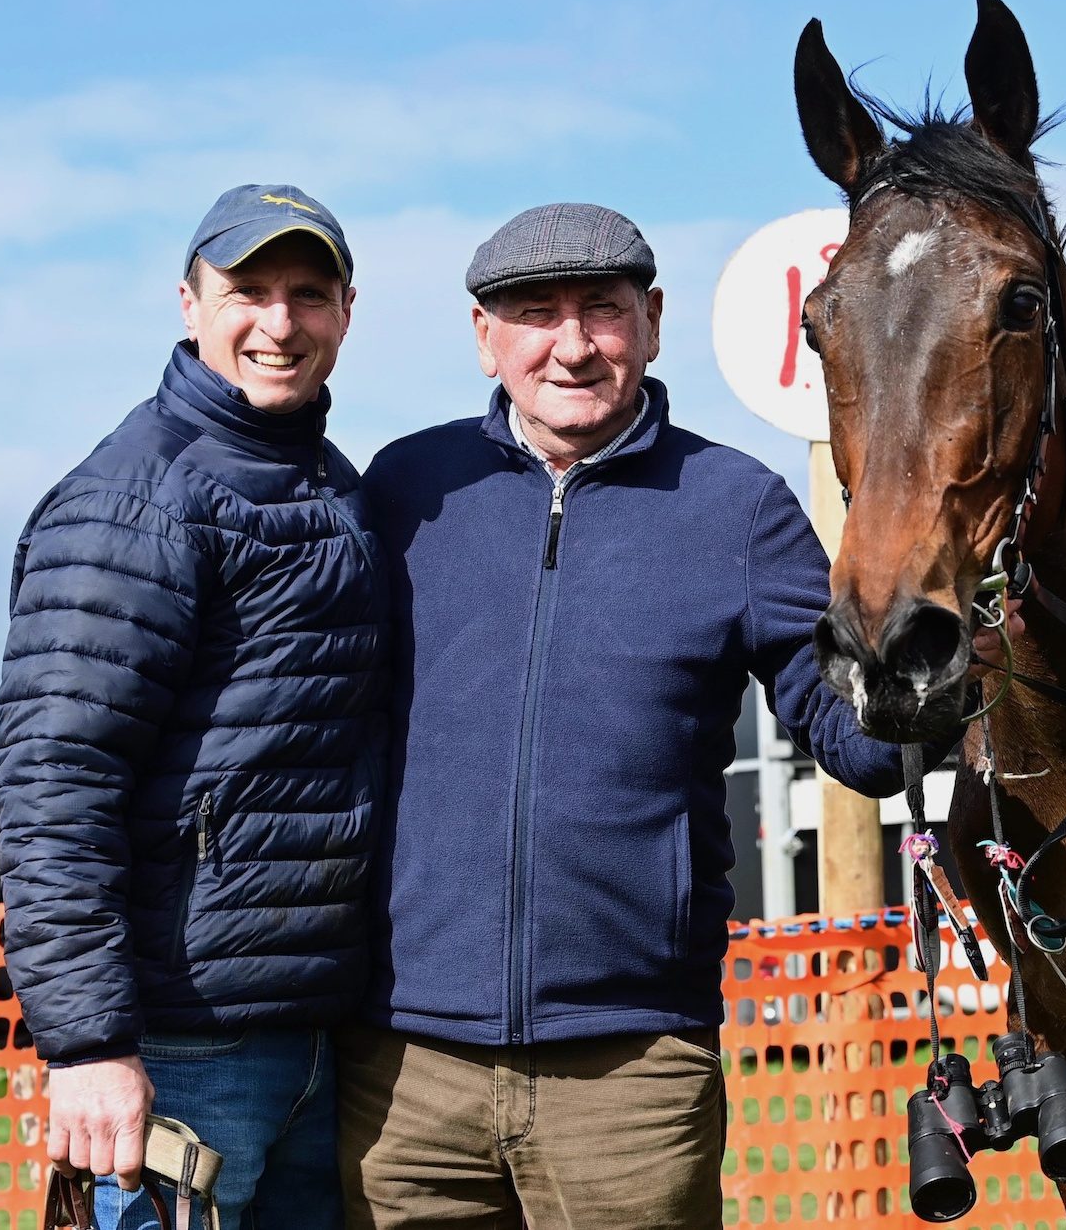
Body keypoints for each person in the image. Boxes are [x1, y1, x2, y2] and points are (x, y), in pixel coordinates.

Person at [342, 202, 968, 1229]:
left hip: (632, 1073)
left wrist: (946, 673)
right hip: (404, 1070)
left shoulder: (737, 505)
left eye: (603, 309)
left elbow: (843, 727)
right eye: (536, 312)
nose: (574, 344)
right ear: (483, 336)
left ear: (654, 320)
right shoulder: (410, 485)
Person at [0, 185, 386, 1229]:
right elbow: (52, 784)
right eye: (247, 289)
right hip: (173, 1047)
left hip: (314, 1038)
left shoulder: (333, 486)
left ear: (349, 309)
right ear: (187, 301)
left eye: (308, 293)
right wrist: (87, 1044)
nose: (280, 321)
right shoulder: (137, 496)